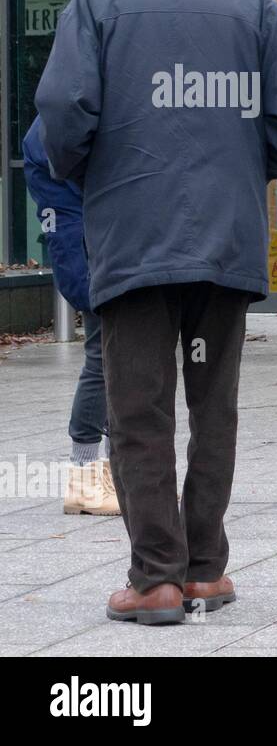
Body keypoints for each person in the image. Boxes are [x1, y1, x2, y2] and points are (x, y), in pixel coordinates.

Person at [35, 0, 277, 626]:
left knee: (140, 409)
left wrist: (87, 176)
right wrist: (238, 168)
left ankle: (155, 578)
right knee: (213, 406)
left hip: (131, 237)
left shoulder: (95, 3)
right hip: (225, 239)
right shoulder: (254, 7)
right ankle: (205, 571)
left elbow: (63, 115)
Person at [21, 118, 119, 517]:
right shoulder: (53, 134)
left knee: (119, 362)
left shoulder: (56, 127)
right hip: (94, 259)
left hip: (99, 253)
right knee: (104, 360)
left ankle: (116, 475)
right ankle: (84, 476)